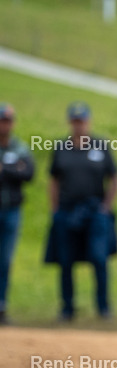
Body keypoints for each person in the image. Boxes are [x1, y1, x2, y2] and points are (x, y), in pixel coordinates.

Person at [45, 102, 117, 321]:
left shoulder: (100, 146)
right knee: (66, 260)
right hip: (67, 210)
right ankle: (67, 308)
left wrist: (107, 206)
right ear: (70, 122)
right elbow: (53, 180)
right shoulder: (61, 147)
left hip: (95, 210)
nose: (79, 125)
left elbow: (115, 178)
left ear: (89, 121)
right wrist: (55, 208)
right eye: (76, 121)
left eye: (83, 121)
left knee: (99, 258)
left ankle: (103, 307)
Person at [0, 103, 35, 325]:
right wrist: (14, 170)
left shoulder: (19, 148)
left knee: (4, 260)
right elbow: (20, 171)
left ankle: (1, 305)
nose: (4, 125)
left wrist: (4, 169)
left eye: (8, 120)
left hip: (11, 209)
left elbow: (28, 172)